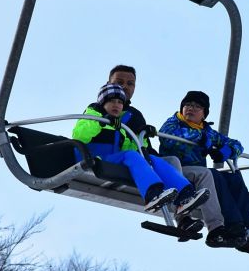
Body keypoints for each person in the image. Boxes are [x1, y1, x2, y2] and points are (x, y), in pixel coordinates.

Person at [105, 66, 238, 247]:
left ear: (204, 113)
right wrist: (107, 121)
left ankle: (217, 228)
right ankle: (182, 215)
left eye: (130, 84)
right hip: (121, 160)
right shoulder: (99, 110)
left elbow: (144, 145)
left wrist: (225, 151)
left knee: (207, 173)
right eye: (119, 82)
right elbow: (170, 142)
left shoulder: (135, 115)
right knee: (172, 161)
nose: (125, 87)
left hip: (145, 162)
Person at [159, 90, 249, 248]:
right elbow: (168, 138)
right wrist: (202, 139)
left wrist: (226, 151)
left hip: (197, 174)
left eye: (197, 106)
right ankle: (230, 226)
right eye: (187, 105)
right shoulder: (174, 122)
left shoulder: (207, 131)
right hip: (177, 170)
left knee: (233, 175)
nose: (191, 108)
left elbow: (236, 144)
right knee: (211, 174)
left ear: (204, 114)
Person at [72, 83, 208, 216]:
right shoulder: (93, 113)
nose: (116, 105)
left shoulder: (119, 124)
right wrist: (100, 122)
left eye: (120, 102)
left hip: (113, 159)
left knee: (152, 159)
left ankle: (185, 194)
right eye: (112, 101)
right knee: (131, 156)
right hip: (94, 157)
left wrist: (141, 135)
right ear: (103, 103)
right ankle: (152, 194)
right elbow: (80, 134)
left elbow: (130, 149)